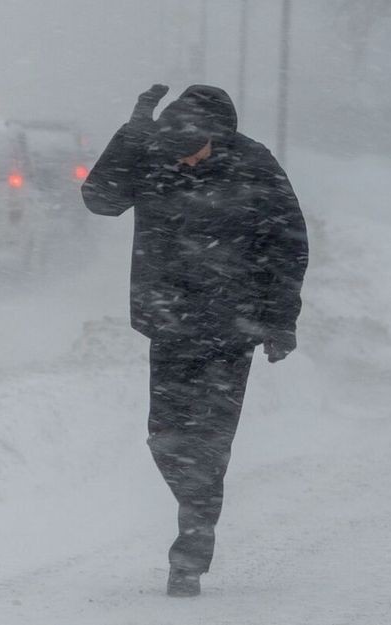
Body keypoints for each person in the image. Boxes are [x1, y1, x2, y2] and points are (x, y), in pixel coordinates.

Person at [81, 84, 308, 597]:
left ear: (218, 136)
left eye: (195, 150)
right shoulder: (153, 154)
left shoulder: (253, 164)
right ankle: (196, 505)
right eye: (176, 151)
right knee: (164, 438)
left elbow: (288, 244)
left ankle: (192, 544)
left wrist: (281, 319)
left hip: (232, 328)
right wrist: (133, 132)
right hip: (170, 324)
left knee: (209, 441)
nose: (185, 160)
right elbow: (100, 200)